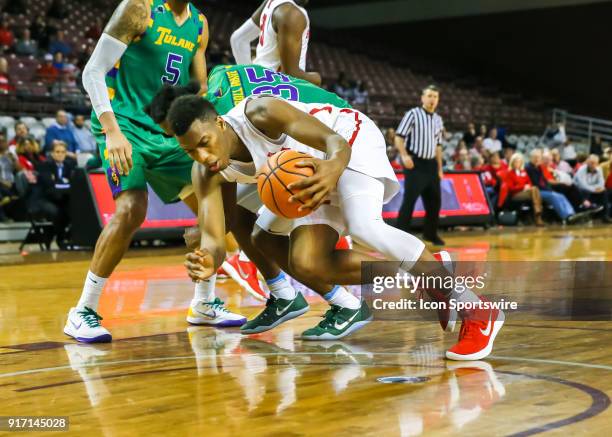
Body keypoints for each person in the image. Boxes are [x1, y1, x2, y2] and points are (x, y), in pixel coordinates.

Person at [169, 93, 505, 360]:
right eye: (190, 151)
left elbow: (335, 144)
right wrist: (208, 259)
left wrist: (332, 169)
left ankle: (478, 310)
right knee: (288, 251)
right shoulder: (207, 172)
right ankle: (423, 273)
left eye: (205, 142)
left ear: (219, 123)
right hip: (306, 173)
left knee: (364, 227)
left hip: (346, 140)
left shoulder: (260, 113)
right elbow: (214, 236)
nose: (202, 156)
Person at [65, 0, 234, 344]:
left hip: (167, 131)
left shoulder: (199, 24)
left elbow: (198, 87)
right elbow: (92, 72)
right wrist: (112, 131)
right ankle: (83, 310)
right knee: (131, 210)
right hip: (124, 125)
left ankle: (203, 304)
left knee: (211, 206)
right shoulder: (138, 7)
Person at [394, 85, 446, 246]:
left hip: (431, 165)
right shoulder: (413, 114)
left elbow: (438, 146)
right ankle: (400, 237)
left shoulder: (438, 119)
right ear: (422, 98)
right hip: (415, 164)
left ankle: (430, 234)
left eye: (435, 96)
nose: (432, 99)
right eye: (429, 95)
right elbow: (398, 137)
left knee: (435, 202)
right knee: (409, 201)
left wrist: (439, 168)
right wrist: (404, 155)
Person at [230, 0, 321, 86]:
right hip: (277, 90)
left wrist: (248, 79)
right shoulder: (291, 13)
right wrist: (317, 79)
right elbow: (290, 75)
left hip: (259, 82)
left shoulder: (272, 2)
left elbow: (238, 40)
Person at [526, 149, 589, 224]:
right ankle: (565, 217)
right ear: (531, 158)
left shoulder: (538, 167)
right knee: (554, 196)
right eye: (535, 157)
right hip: (536, 191)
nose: (537, 159)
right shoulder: (529, 168)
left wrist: (549, 188)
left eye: (538, 157)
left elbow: (544, 181)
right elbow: (536, 183)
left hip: (543, 189)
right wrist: (549, 190)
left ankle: (572, 214)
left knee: (561, 195)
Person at [37, 141, 74, 247]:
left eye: (63, 152)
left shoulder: (69, 165)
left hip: (62, 198)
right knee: (56, 212)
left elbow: (71, 183)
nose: (60, 154)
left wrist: (59, 182)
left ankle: (67, 238)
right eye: (57, 152)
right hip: (45, 199)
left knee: (73, 209)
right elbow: (49, 185)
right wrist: (64, 183)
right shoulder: (45, 165)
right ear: (52, 153)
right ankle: (58, 237)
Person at [505, 153, 544, 226]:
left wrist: (527, 187)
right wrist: (523, 187)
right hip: (515, 194)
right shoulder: (509, 173)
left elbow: (530, 183)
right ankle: (538, 213)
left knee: (534, 189)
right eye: (516, 161)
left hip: (526, 192)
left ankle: (537, 215)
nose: (518, 163)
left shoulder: (523, 172)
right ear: (512, 162)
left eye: (519, 161)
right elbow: (511, 188)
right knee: (534, 190)